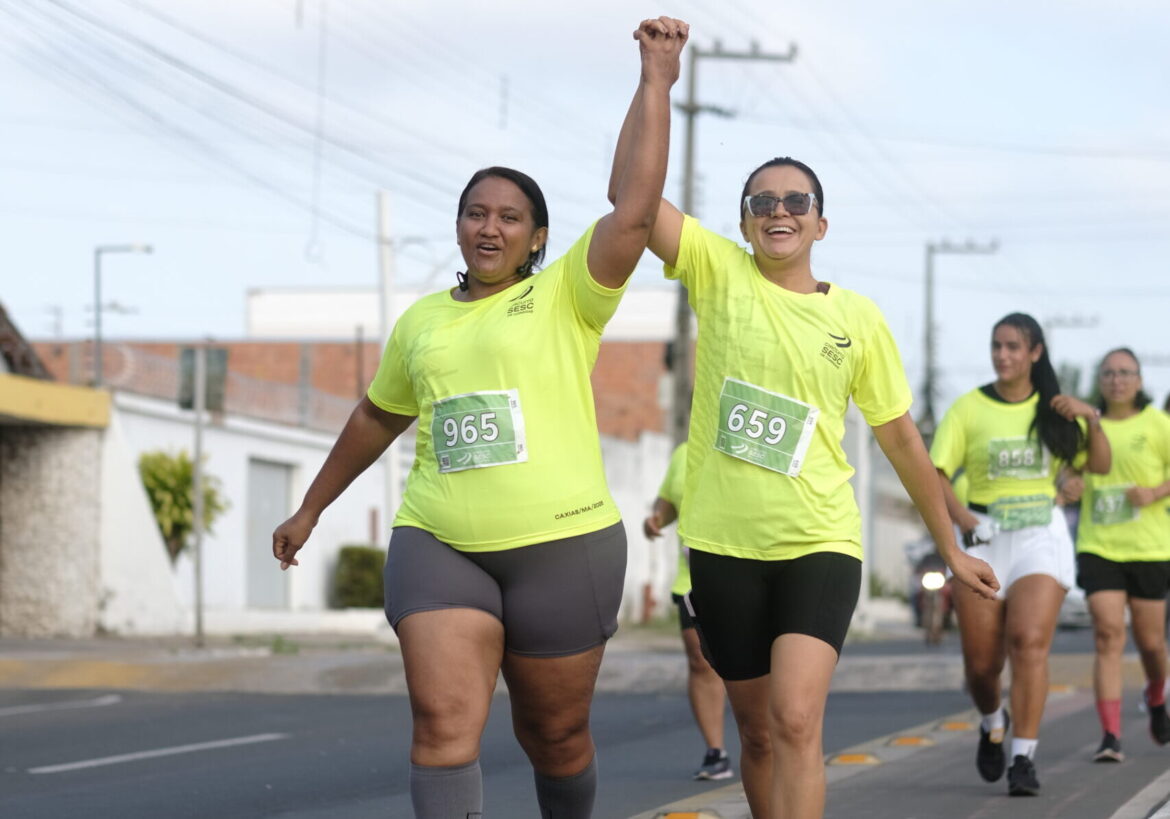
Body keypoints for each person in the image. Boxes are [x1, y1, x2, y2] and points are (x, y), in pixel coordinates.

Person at [270, 18, 688, 819]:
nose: (489, 226)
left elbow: (634, 214)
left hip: (563, 546)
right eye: (475, 212)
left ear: (536, 238)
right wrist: (311, 506)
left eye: (508, 216)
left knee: (555, 734)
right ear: (460, 225)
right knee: (442, 723)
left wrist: (655, 83)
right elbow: (374, 415)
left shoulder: (569, 292)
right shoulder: (423, 320)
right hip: (440, 538)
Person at [633, 155, 999, 819]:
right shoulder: (718, 273)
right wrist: (655, 80)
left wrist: (950, 545)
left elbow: (902, 441)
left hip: (819, 541)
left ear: (821, 224)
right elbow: (632, 199)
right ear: (743, 223)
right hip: (722, 545)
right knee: (760, 733)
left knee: (797, 719)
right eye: (762, 201)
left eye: (796, 201)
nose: (779, 210)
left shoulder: (858, 318)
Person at [930, 312, 1111, 796]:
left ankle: (1023, 758)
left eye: (1013, 346)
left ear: (1035, 353)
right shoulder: (969, 408)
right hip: (984, 537)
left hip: (1039, 534)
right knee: (982, 667)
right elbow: (937, 473)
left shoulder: (1055, 410)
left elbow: (1097, 464)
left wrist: (1089, 417)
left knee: (1029, 642)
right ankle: (993, 721)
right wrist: (963, 520)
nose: (1003, 355)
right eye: (997, 346)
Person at [1073, 348, 1170, 761]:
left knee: (1150, 643)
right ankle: (1110, 736)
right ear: (1100, 380)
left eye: (1125, 373)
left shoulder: (1158, 424)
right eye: (1109, 372)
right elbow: (1070, 469)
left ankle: (1156, 696)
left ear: (1140, 380)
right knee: (1108, 633)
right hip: (1099, 545)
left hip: (1149, 546)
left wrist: (1154, 492)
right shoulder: (1085, 427)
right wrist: (1069, 484)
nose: (1117, 380)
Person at [642, 440, 733, 781]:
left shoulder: (748, 441)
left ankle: (768, 741)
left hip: (749, 570)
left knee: (759, 665)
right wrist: (655, 521)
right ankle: (716, 751)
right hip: (693, 577)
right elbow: (666, 504)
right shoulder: (684, 452)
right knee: (701, 661)